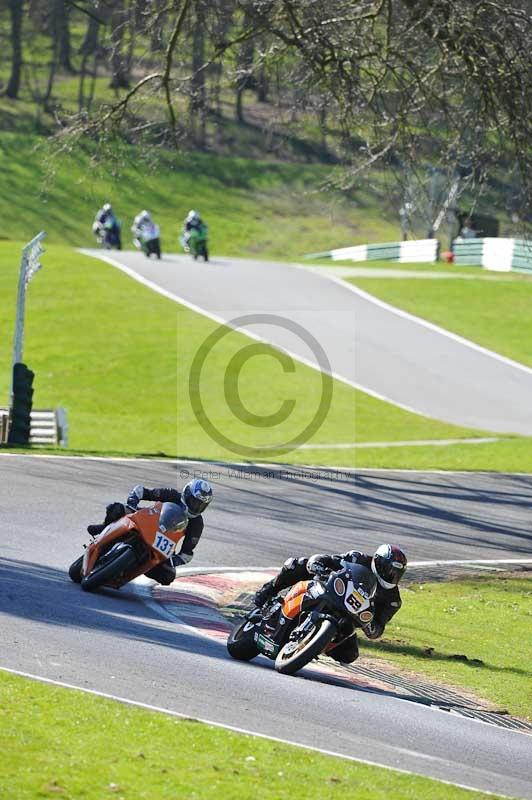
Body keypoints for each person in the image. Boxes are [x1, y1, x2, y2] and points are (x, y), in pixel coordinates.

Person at [253, 543, 407, 664]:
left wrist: (370, 625)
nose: (391, 575)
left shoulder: (393, 600)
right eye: (388, 570)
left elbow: (378, 628)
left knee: (349, 655)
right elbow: (330, 560)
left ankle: (313, 645)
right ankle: (269, 590)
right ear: (377, 561)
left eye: (396, 574)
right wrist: (319, 563)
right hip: (330, 591)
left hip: (348, 618)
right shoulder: (357, 558)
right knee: (297, 564)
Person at [86, 479, 213, 585]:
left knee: (168, 576)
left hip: (161, 544)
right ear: (186, 494)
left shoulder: (197, 524)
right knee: (117, 508)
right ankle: (104, 528)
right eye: (194, 501)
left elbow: (187, 553)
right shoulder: (172, 495)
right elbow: (140, 491)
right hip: (144, 522)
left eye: (201, 505)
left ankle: (128, 570)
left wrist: (172, 561)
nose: (196, 507)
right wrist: (132, 505)